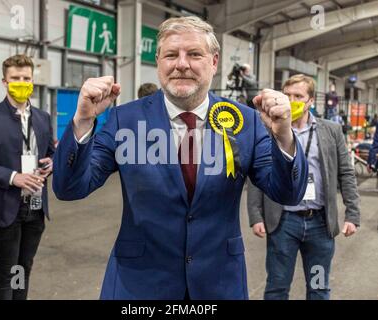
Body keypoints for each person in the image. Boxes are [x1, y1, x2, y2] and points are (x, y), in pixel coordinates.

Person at [53, 16, 308, 300]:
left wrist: (283, 135)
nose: (182, 64)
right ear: (159, 62)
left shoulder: (245, 121)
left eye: (194, 54)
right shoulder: (125, 119)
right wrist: (83, 120)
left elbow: (288, 193)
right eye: (171, 55)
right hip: (139, 286)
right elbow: (70, 188)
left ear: (213, 62)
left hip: (218, 283)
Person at [247, 74, 360, 300]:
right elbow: (257, 175)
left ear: (310, 101)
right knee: (277, 286)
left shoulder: (331, 131)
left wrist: (352, 214)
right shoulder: (269, 130)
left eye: (298, 96)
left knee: (318, 287)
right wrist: (255, 215)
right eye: (287, 95)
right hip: (283, 223)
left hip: (319, 224)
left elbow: (346, 172)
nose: (291, 100)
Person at [0, 54, 55, 300]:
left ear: (32, 80)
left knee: (23, 269)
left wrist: (52, 163)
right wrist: (13, 177)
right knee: (6, 271)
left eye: (26, 78)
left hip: (35, 206)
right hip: (4, 207)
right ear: (4, 81)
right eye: (15, 78)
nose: (21, 82)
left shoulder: (42, 118)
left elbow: (50, 152)